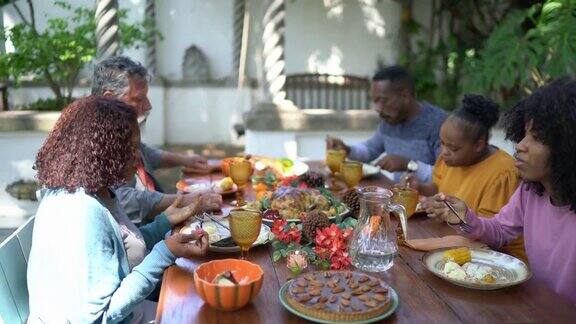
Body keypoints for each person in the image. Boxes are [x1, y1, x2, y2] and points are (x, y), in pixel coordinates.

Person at [27, 96, 210, 323]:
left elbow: (122, 249)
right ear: (104, 150)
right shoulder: (83, 212)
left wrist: (165, 222)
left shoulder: (93, 189)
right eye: (131, 149)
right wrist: (165, 253)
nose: (137, 159)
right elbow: (101, 315)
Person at [423, 78, 576, 303]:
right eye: (524, 134)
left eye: (537, 138)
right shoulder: (530, 191)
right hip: (533, 304)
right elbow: (499, 231)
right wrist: (465, 218)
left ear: (568, 147)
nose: (521, 145)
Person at [91, 56, 221, 222]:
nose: (148, 105)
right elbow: (123, 199)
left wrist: (186, 160)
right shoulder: (95, 141)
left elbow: (144, 152)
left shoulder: (120, 131)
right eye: (139, 99)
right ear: (109, 98)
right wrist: (187, 201)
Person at [408, 94, 524, 260]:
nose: (444, 152)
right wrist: (420, 187)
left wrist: (450, 214)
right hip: (450, 239)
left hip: (497, 256)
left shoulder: (502, 173)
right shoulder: (450, 160)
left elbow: (491, 234)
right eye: (442, 143)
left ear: (479, 145)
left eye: (453, 148)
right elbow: (438, 187)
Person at [326, 66, 447, 182]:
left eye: (382, 100)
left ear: (404, 96)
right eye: (374, 101)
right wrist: (347, 149)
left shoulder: (438, 124)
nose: (377, 108)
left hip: (431, 201)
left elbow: (447, 176)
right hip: (397, 197)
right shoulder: (390, 120)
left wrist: (409, 164)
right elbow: (371, 149)